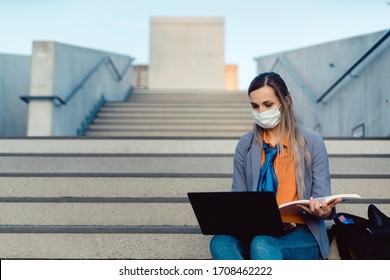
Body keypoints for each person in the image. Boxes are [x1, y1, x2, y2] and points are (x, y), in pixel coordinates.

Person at [209, 72, 341, 260]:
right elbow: (238, 198)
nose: (261, 112)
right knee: (220, 242)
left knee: (262, 243)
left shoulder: (312, 142)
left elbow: (322, 196)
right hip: (256, 231)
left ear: (286, 101)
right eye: (255, 106)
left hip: (300, 233)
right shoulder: (245, 145)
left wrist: (324, 209)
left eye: (268, 105)